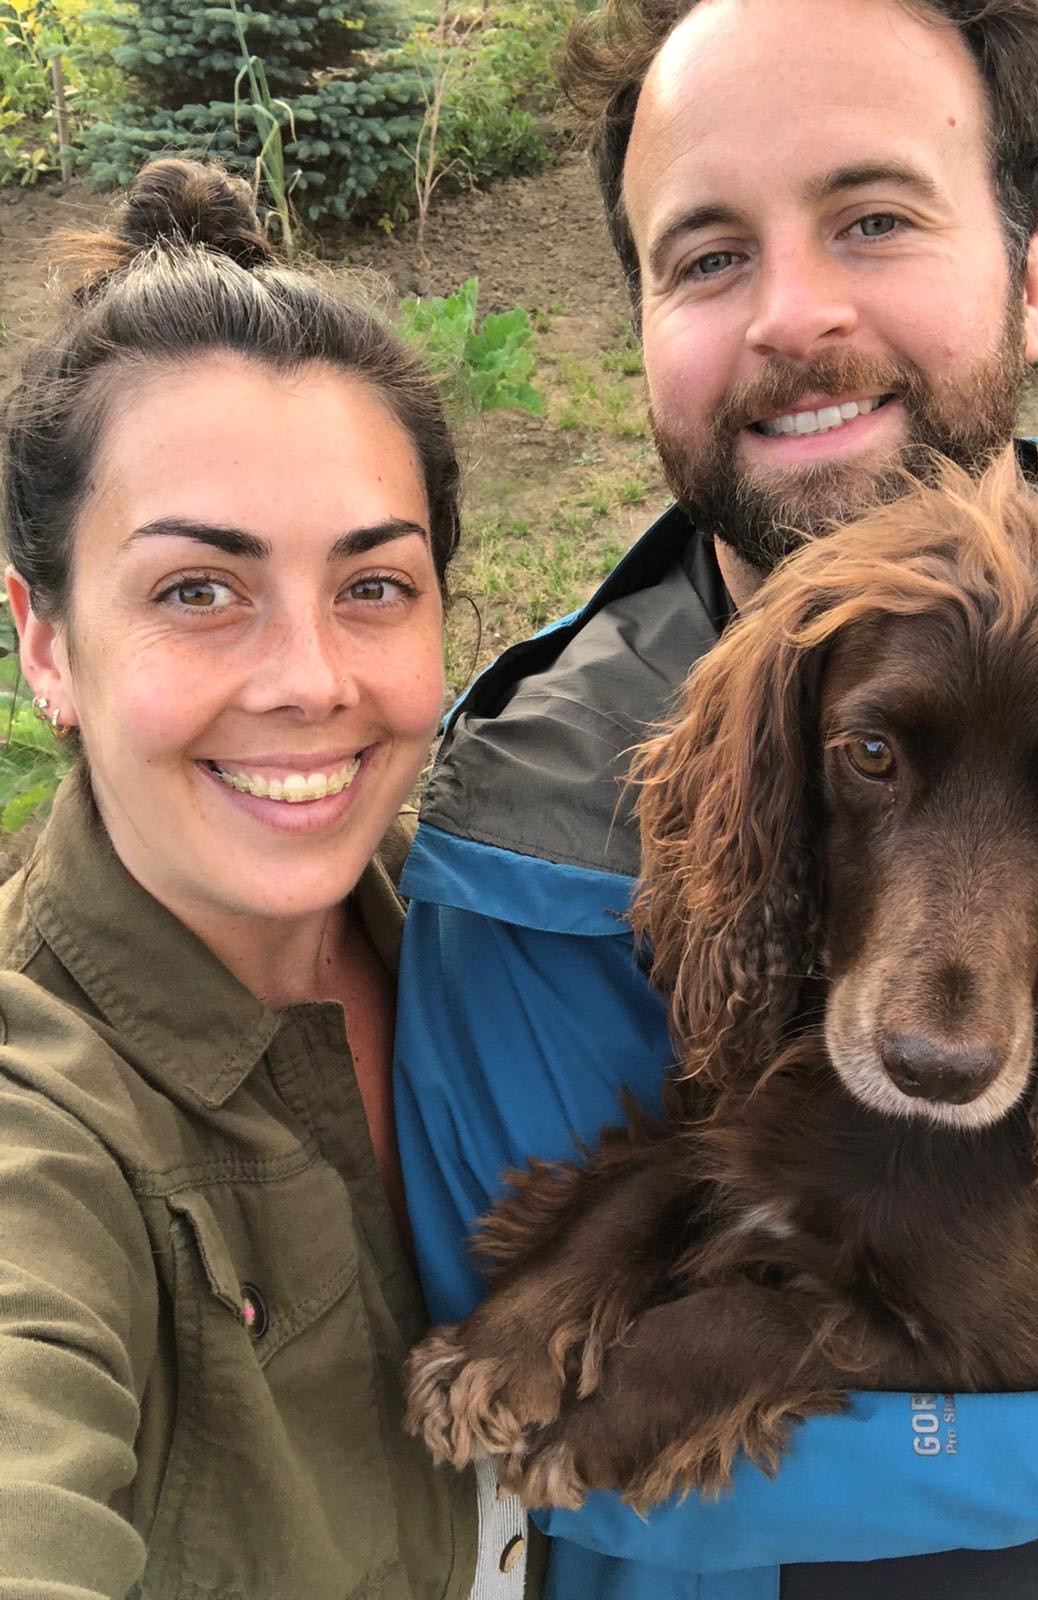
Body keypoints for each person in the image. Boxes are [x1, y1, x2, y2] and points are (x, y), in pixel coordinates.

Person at [392, 1, 1038, 1598]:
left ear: (1035, 271)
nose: (794, 315)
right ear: (639, 323)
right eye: (705, 255)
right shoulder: (516, 857)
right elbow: (587, 1483)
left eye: (874, 217)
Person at [0, 158, 536, 1600]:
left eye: (373, 586)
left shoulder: (507, 938)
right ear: (44, 641)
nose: (310, 683)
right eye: (197, 591)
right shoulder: (36, 1127)